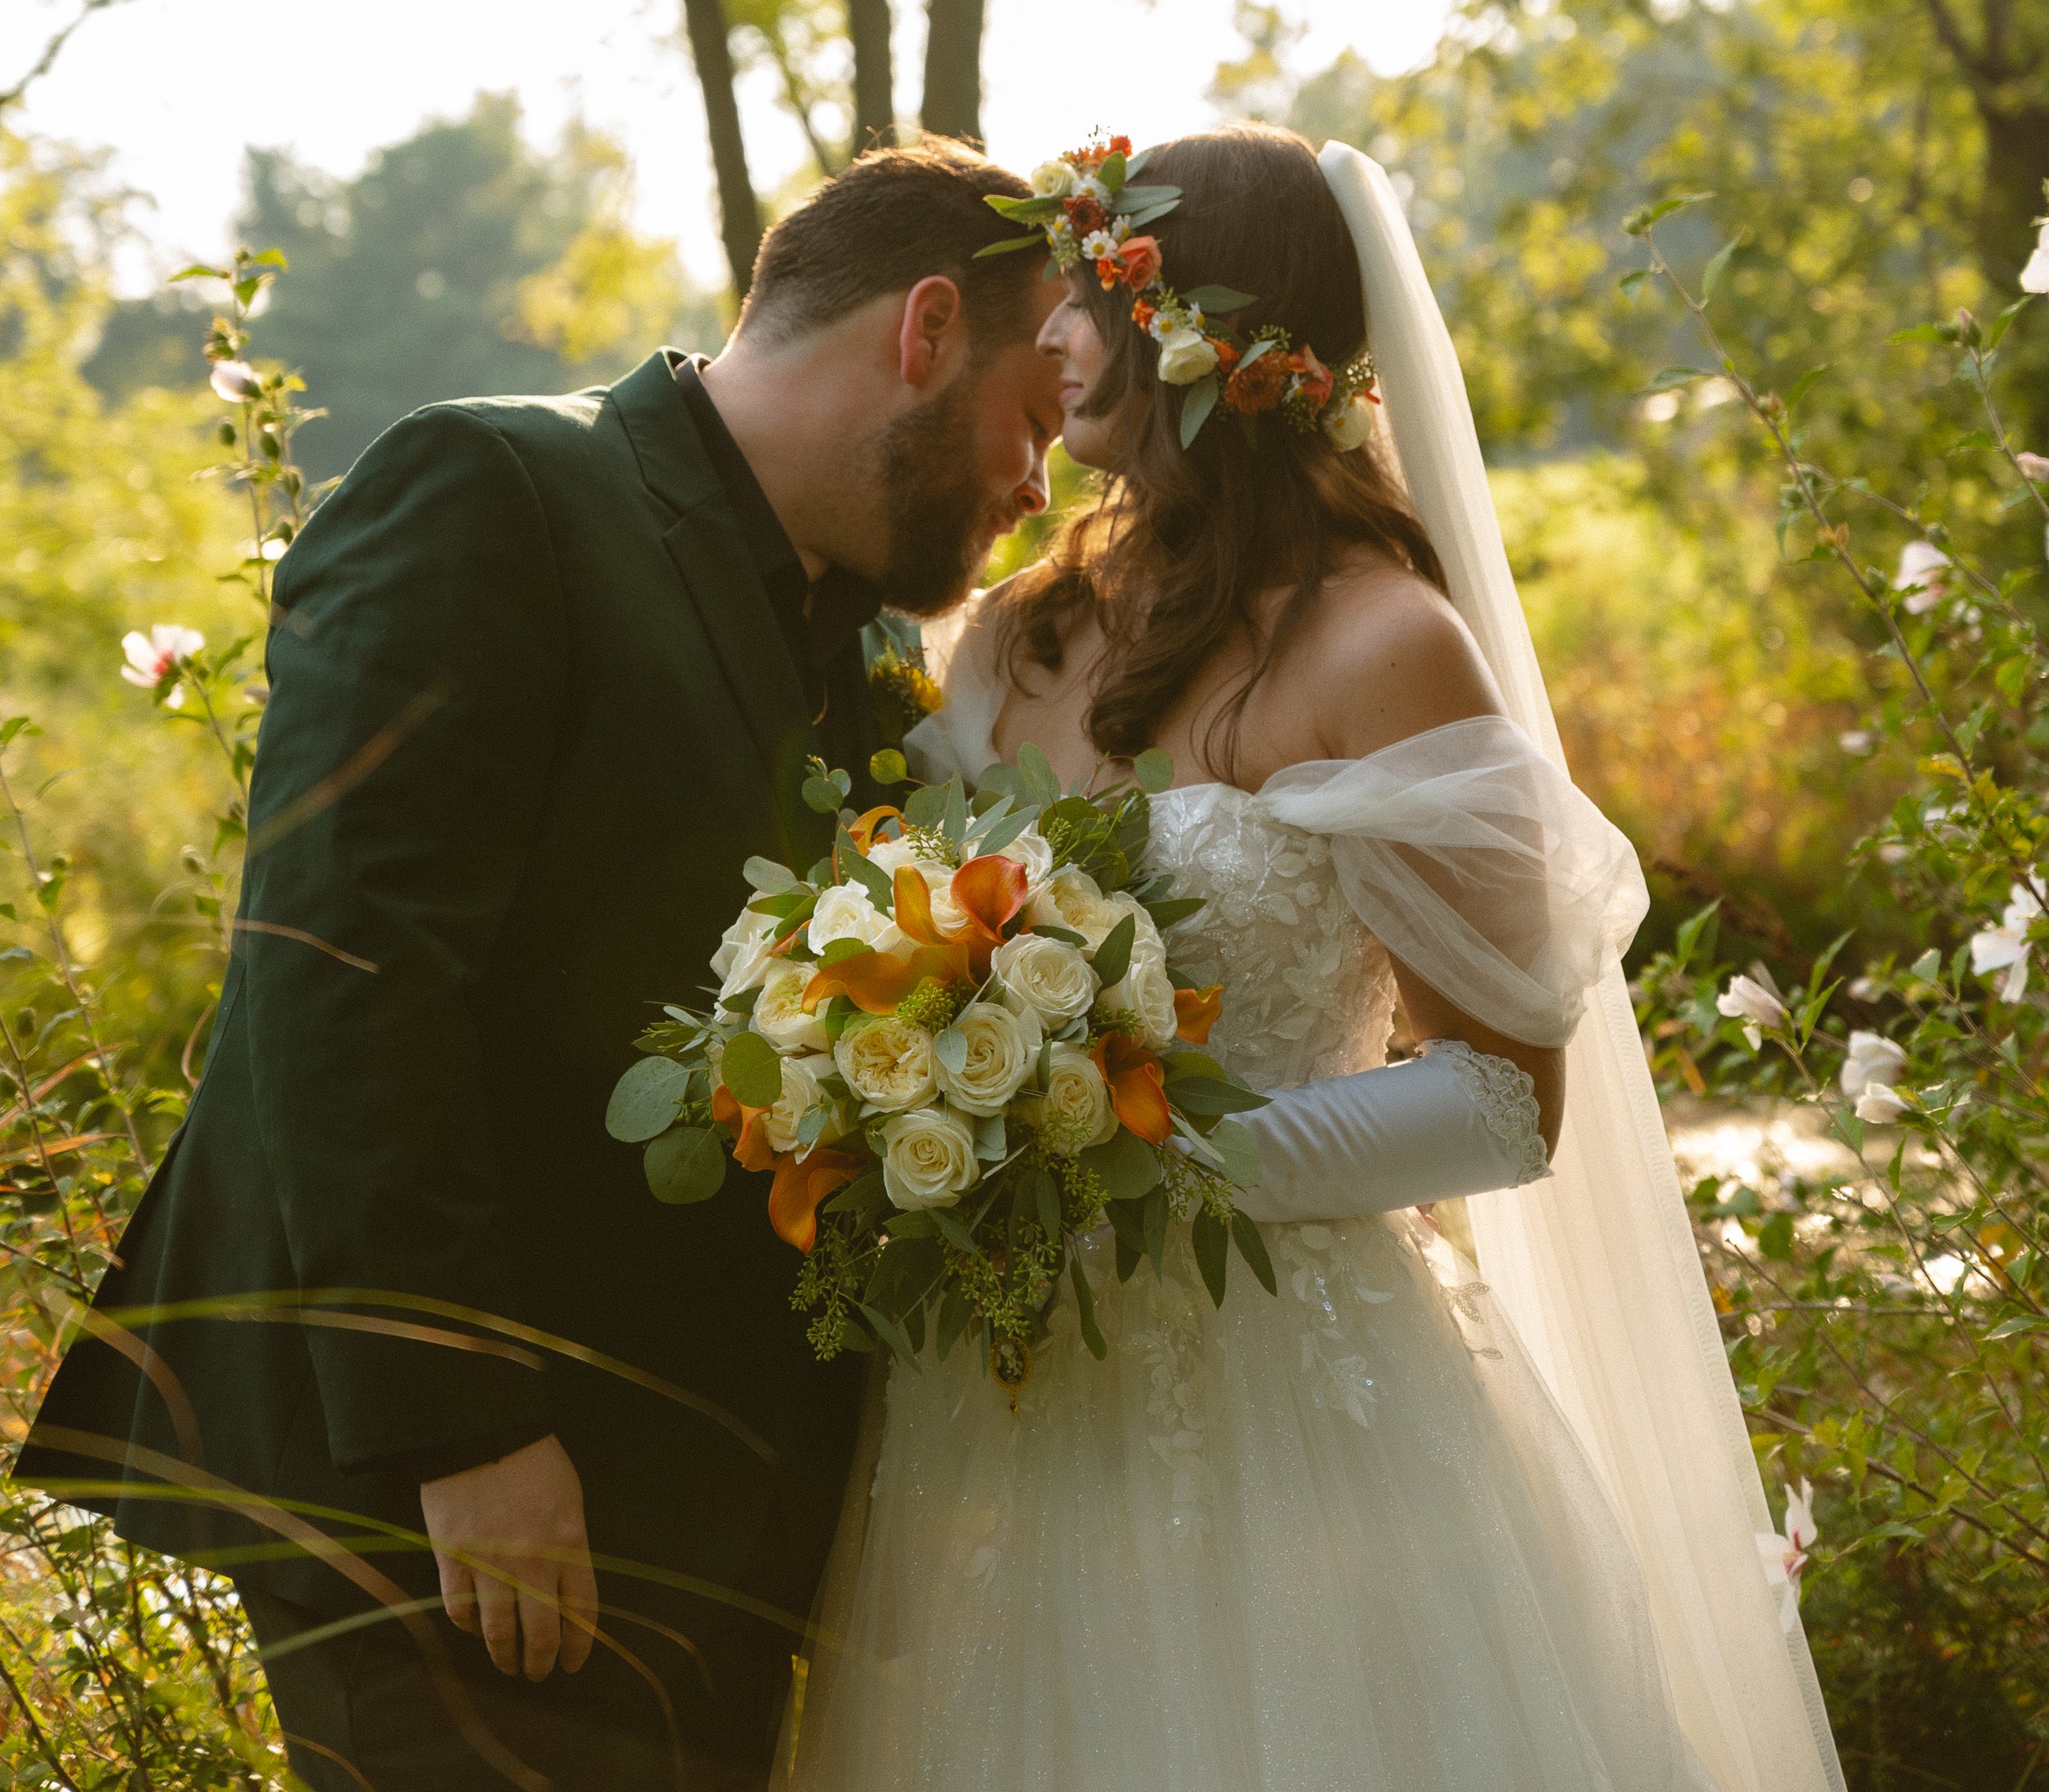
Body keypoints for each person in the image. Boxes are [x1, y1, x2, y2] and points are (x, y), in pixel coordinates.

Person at [785, 125, 1846, 1792]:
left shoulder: (1383, 643)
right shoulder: (1017, 630)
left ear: (1204, 328)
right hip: (1000, 1402)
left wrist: (1138, 1158)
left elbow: (1500, 1102)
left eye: (1084, 294)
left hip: (1295, 1407)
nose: (1049, 334)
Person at [16, 135, 1064, 1792]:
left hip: (701, 1513)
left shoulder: (858, 634)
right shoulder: (491, 492)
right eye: (1037, 414)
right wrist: (465, 1429)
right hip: (450, 1507)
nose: (1037, 482)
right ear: (923, 331)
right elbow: (340, 971)